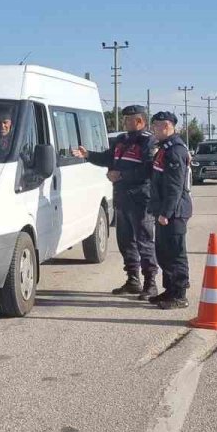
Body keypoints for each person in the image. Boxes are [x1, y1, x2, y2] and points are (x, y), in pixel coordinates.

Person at [71, 105, 158, 299]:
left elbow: (148, 170)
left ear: (140, 121)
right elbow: (107, 158)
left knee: (144, 241)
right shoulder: (121, 141)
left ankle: (150, 283)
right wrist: (88, 155)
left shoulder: (149, 142)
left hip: (140, 199)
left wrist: (121, 175)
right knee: (125, 241)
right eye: (124, 119)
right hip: (121, 198)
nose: (125, 122)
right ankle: (132, 279)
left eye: (129, 119)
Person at [147, 110, 193, 309]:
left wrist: (166, 213)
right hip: (164, 211)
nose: (153, 130)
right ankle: (170, 290)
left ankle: (180, 295)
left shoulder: (175, 150)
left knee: (175, 252)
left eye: (156, 126)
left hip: (174, 212)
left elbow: (174, 187)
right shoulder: (165, 148)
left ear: (166, 126)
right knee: (163, 252)